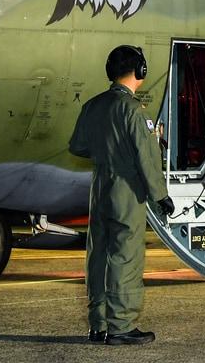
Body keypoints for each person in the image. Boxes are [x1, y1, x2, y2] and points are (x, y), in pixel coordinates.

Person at [68, 45, 171, 346]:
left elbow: (77, 146)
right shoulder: (133, 110)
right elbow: (146, 158)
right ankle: (121, 325)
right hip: (126, 191)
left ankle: (98, 324)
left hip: (100, 187)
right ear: (140, 71)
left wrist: (107, 151)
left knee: (98, 254)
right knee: (125, 255)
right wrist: (160, 195)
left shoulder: (93, 105)